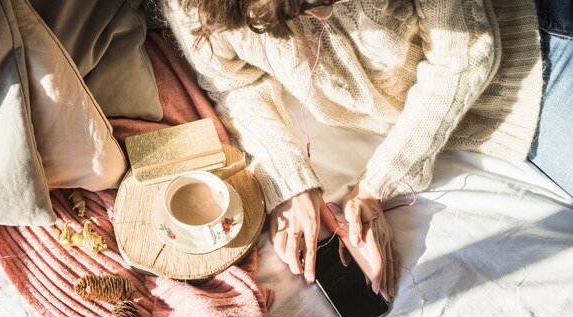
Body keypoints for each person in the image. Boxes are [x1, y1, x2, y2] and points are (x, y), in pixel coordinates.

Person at [160, 0, 544, 301]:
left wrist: (376, 185)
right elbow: (233, 84)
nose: (326, 13)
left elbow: (464, 55)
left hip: (529, 55)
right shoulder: (194, 7)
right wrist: (290, 181)